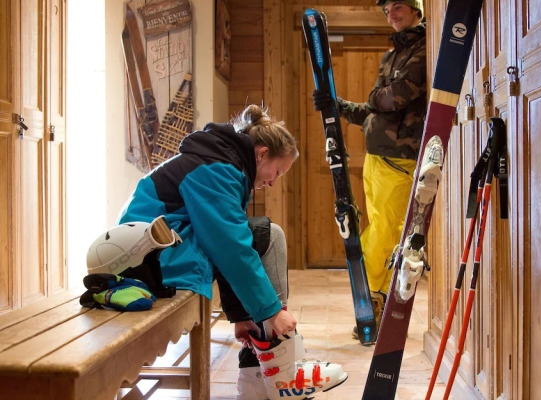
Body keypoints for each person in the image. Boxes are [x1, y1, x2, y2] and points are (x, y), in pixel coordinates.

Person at [116, 104, 347, 399]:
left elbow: (221, 238)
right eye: (277, 171)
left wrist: (241, 316)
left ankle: (256, 374)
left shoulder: (222, 163)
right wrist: (271, 312)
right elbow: (228, 247)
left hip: (162, 251)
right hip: (148, 261)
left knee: (260, 235)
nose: (273, 183)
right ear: (262, 153)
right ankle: (282, 368)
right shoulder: (217, 169)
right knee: (266, 237)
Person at [313, 0, 427, 335]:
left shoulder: (426, 47)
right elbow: (376, 108)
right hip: (376, 158)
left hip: (402, 161)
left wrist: (378, 97)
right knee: (378, 227)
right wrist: (339, 106)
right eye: (387, 9)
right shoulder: (391, 56)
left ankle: (375, 298)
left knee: (386, 233)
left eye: (398, 6)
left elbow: (397, 97)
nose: (392, 14)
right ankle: (376, 298)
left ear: (416, 8)